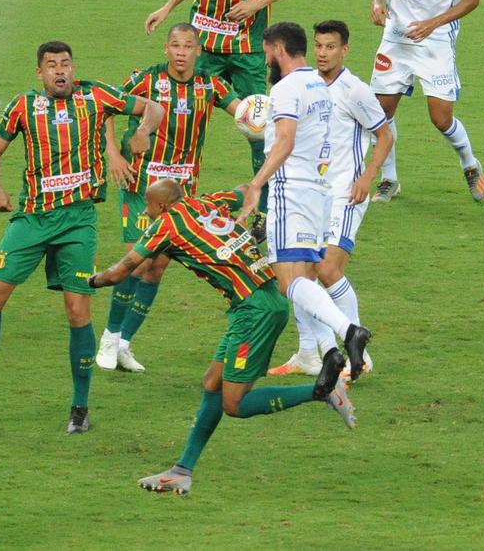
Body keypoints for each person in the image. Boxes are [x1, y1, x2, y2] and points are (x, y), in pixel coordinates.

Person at [89, 179, 355, 494]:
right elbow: (247, 189)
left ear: (161, 205)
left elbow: (123, 271)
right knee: (212, 382)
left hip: (255, 311)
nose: (144, 212)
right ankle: (182, 470)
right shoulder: (208, 201)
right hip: (255, 301)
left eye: (147, 206)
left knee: (234, 404)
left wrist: (90, 280)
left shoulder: (166, 225)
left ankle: (322, 390)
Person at [0, 41, 163, 433]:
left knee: (77, 312)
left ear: (73, 67)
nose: (60, 71)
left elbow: (153, 107)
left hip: (77, 221)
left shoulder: (95, 95)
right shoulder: (22, 106)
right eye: (52, 65)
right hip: (31, 218)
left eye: (65, 64)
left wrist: (144, 133)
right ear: (40, 73)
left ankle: (80, 408)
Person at [144, 0, 303, 232]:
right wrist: (168, 7)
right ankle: (169, 197)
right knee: (181, 117)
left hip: (246, 50)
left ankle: (263, 208)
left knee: (258, 127)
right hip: (206, 47)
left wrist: (257, 3)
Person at [97, 22, 240, 373]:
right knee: (139, 260)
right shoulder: (146, 80)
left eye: (188, 46)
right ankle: (109, 338)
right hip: (142, 185)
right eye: (175, 45)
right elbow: (106, 108)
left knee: (158, 266)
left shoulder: (210, 84)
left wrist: (264, 118)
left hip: (181, 192)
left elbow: (242, 112)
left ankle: (125, 344)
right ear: (166, 49)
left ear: (197, 51)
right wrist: (113, 155)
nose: (180, 52)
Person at [237, 22, 371, 378]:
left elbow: (285, 141)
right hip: (319, 191)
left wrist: (256, 184)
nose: (266, 59)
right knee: (308, 279)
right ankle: (327, 354)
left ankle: (349, 332)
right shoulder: (318, 83)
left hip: (290, 190)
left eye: (266, 52)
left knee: (288, 282)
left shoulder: (285, 88)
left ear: (278, 49)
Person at [269, 21, 393, 377]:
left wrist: (368, 178)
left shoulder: (354, 90)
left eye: (331, 47)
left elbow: (385, 136)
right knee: (302, 273)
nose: (324, 53)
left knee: (327, 270)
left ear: (345, 50)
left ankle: (360, 354)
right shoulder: (306, 85)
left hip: (346, 193)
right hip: (313, 194)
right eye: (320, 46)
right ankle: (309, 352)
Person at [368, 0, 484, 203]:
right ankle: (389, 180)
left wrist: (433, 24)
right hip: (396, 37)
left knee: (441, 119)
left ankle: (470, 165)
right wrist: (377, 3)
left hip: (435, 41)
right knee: (380, 112)